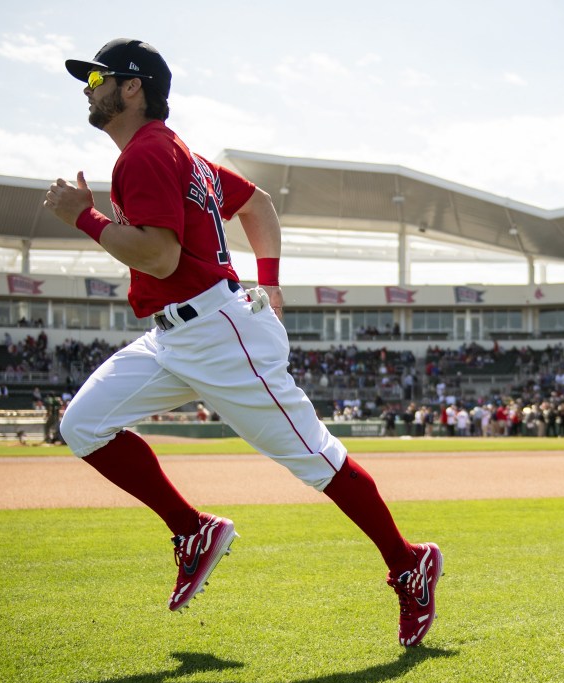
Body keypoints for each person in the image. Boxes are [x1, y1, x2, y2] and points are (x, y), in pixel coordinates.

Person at [44, 39, 441, 647]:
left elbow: (159, 252)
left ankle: (408, 561)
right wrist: (271, 284)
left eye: (98, 76)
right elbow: (258, 204)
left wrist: (85, 218)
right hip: (178, 334)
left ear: (133, 88)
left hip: (216, 332)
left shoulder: (146, 153)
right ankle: (192, 529)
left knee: (316, 460)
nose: (88, 87)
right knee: (82, 425)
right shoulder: (177, 153)